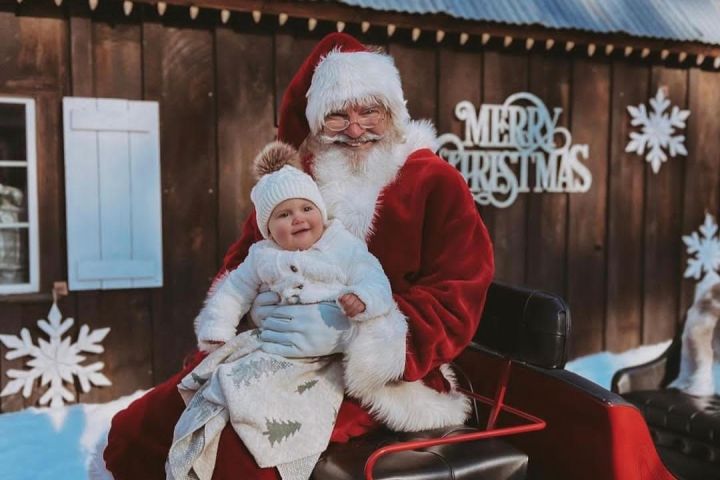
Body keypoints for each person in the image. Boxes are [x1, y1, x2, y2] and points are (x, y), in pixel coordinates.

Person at [102, 32, 494, 480]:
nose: (354, 128)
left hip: (380, 377)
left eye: (370, 111)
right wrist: (254, 309)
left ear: (394, 113)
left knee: (233, 450)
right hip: (273, 350)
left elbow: (457, 297)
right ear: (316, 122)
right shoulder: (297, 180)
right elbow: (244, 258)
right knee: (141, 426)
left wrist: (351, 334)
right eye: (337, 116)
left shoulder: (434, 181)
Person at [167, 143, 395, 480]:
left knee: (276, 406)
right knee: (226, 388)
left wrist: (361, 300)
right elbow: (234, 290)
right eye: (284, 215)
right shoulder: (262, 256)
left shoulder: (342, 245)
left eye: (306, 208)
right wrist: (219, 325)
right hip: (275, 348)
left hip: (327, 356)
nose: (298, 218)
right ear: (268, 229)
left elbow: (374, 279)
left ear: (321, 210)